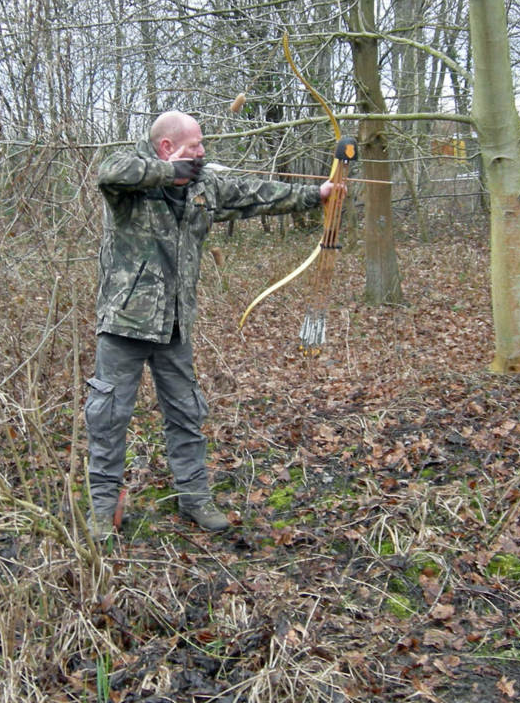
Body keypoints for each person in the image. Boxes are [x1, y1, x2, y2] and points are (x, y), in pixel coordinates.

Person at [85, 110, 344, 540]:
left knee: (186, 413)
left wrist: (316, 194)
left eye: (202, 145)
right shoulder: (130, 181)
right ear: (166, 147)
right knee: (108, 418)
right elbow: (109, 172)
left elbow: (255, 194)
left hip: (174, 326)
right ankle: (101, 511)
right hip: (124, 325)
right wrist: (168, 173)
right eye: (194, 146)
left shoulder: (203, 186)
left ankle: (194, 498)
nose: (203, 152)